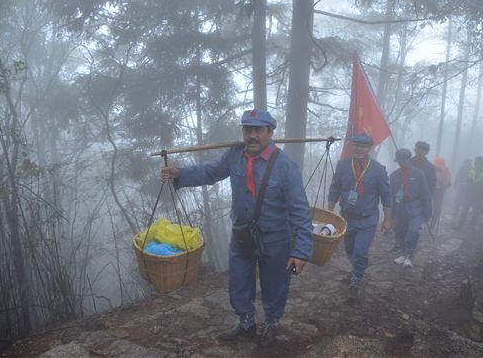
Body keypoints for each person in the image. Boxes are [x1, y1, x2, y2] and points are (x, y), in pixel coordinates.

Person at [161, 108, 313, 348]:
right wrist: (181, 173)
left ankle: (272, 323)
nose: (252, 136)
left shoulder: (286, 167)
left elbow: (300, 211)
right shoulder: (235, 155)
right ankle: (246, 322)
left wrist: (301, 250)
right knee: (239, 281)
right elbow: (211, 172)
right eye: (247, 130)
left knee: (275, 283)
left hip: (275, 238)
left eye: (258, 130)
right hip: (242, 233)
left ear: (270, 132)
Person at [328, 132, 391, 300]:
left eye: (363, 146)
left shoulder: (378, 170)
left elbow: (386, 196)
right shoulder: (342, 166)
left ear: (369, 148)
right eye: (356, 145)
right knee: (350, 249)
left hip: (367, 219)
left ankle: (356, 281)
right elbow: (334, 188)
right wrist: (329, 211)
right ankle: (356, 268)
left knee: (360, 250)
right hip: (347, 218)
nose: (359, 149)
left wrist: (388, 219)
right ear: (352, 146)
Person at [390, 148, 432, 268]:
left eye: (403, 161)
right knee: (399, 232)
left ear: (409, 160)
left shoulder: (419, 174)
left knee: (413, 231)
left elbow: (425, 193)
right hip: (400, 207)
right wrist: (390, 215)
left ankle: (409, 256)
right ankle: (403, 253)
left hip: (415, 207)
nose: (401, 163)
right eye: (399, 161)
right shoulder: (393, 176)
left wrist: (428, 213)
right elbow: (391, 196)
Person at [456, 156, 483, 231]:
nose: (476, 165)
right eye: (476, 163)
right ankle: (460, 225)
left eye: (478, 163)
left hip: (479, 194)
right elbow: (468, 179)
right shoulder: (472, 169)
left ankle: (472, 225)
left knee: (476, 210)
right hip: (470, 192)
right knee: (465, 209)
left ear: (481, 164)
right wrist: (466, 184)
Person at [429, 156, 451, 231]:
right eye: (436, 166)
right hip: (431, 190)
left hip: (439, 192)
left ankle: (432, 225)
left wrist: (444, 184)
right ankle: (426, 221)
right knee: (428, 205)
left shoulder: (446, 170)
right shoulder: (431, 169)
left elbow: (449, 182)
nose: (437, 168)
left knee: (437, 208)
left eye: (438, 166)